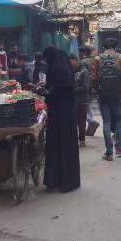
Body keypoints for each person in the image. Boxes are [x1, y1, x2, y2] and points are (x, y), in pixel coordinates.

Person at [42, 46, 80, 192]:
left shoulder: (53, 70)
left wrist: (45, 94)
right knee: (68, 146)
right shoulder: (68, 70)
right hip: (69, 114)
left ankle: (54, 180)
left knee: (55, 146)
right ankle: (69, 181)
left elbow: (51, 93)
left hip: (56, 114)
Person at [91, 38, 121, 161]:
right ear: (115, 46)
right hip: (117, 93)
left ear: (103, 47)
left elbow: (93, 77)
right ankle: (119, 148)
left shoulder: (98, 59)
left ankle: (109, 153)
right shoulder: (120, 57)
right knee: (119, 118)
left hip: (103, 94)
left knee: (107, 122)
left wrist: (96, 90)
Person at [70, 54, 91, 148]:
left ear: (75, 60)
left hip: (82, 101)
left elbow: (85, 87)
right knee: (73, 122)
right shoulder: (71, 71)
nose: (70, 64)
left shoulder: (84, 72)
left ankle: (82, 140)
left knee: (81, 122)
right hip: (73, 100)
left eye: (71, 61)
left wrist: (73, 89)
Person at [79, 46, 99, 137]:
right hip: (98, 87)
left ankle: (91, 122)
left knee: (81, 107)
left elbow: (82, 76)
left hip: (87, 87)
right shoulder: (98, 60)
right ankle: (91, 125)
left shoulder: (82, 62)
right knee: (87, 107)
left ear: (84, 53)